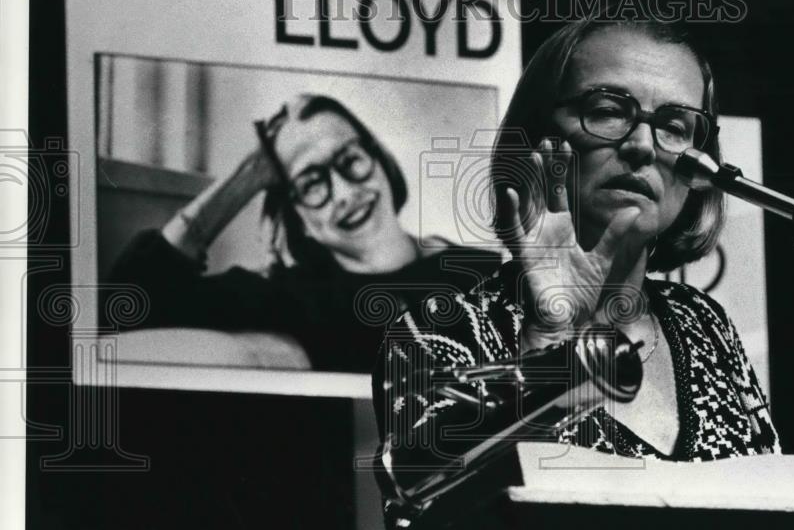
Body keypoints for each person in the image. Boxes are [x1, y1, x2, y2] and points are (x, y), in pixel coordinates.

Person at [375, 16, 779, 510]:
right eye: (608, 111)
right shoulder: (444, 328)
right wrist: (548, 340)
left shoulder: (704, 324)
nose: (642, 146)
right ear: (538, 133)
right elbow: (422, 496)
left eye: (675, 126)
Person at [108, 94, 500, 373]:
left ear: (378, 158)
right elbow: (127, 300)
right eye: (312, 183)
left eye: (350, 161)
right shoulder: (294, 297)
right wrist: (247, 176)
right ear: (295, 210)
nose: (345, 194)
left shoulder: (485, 269)